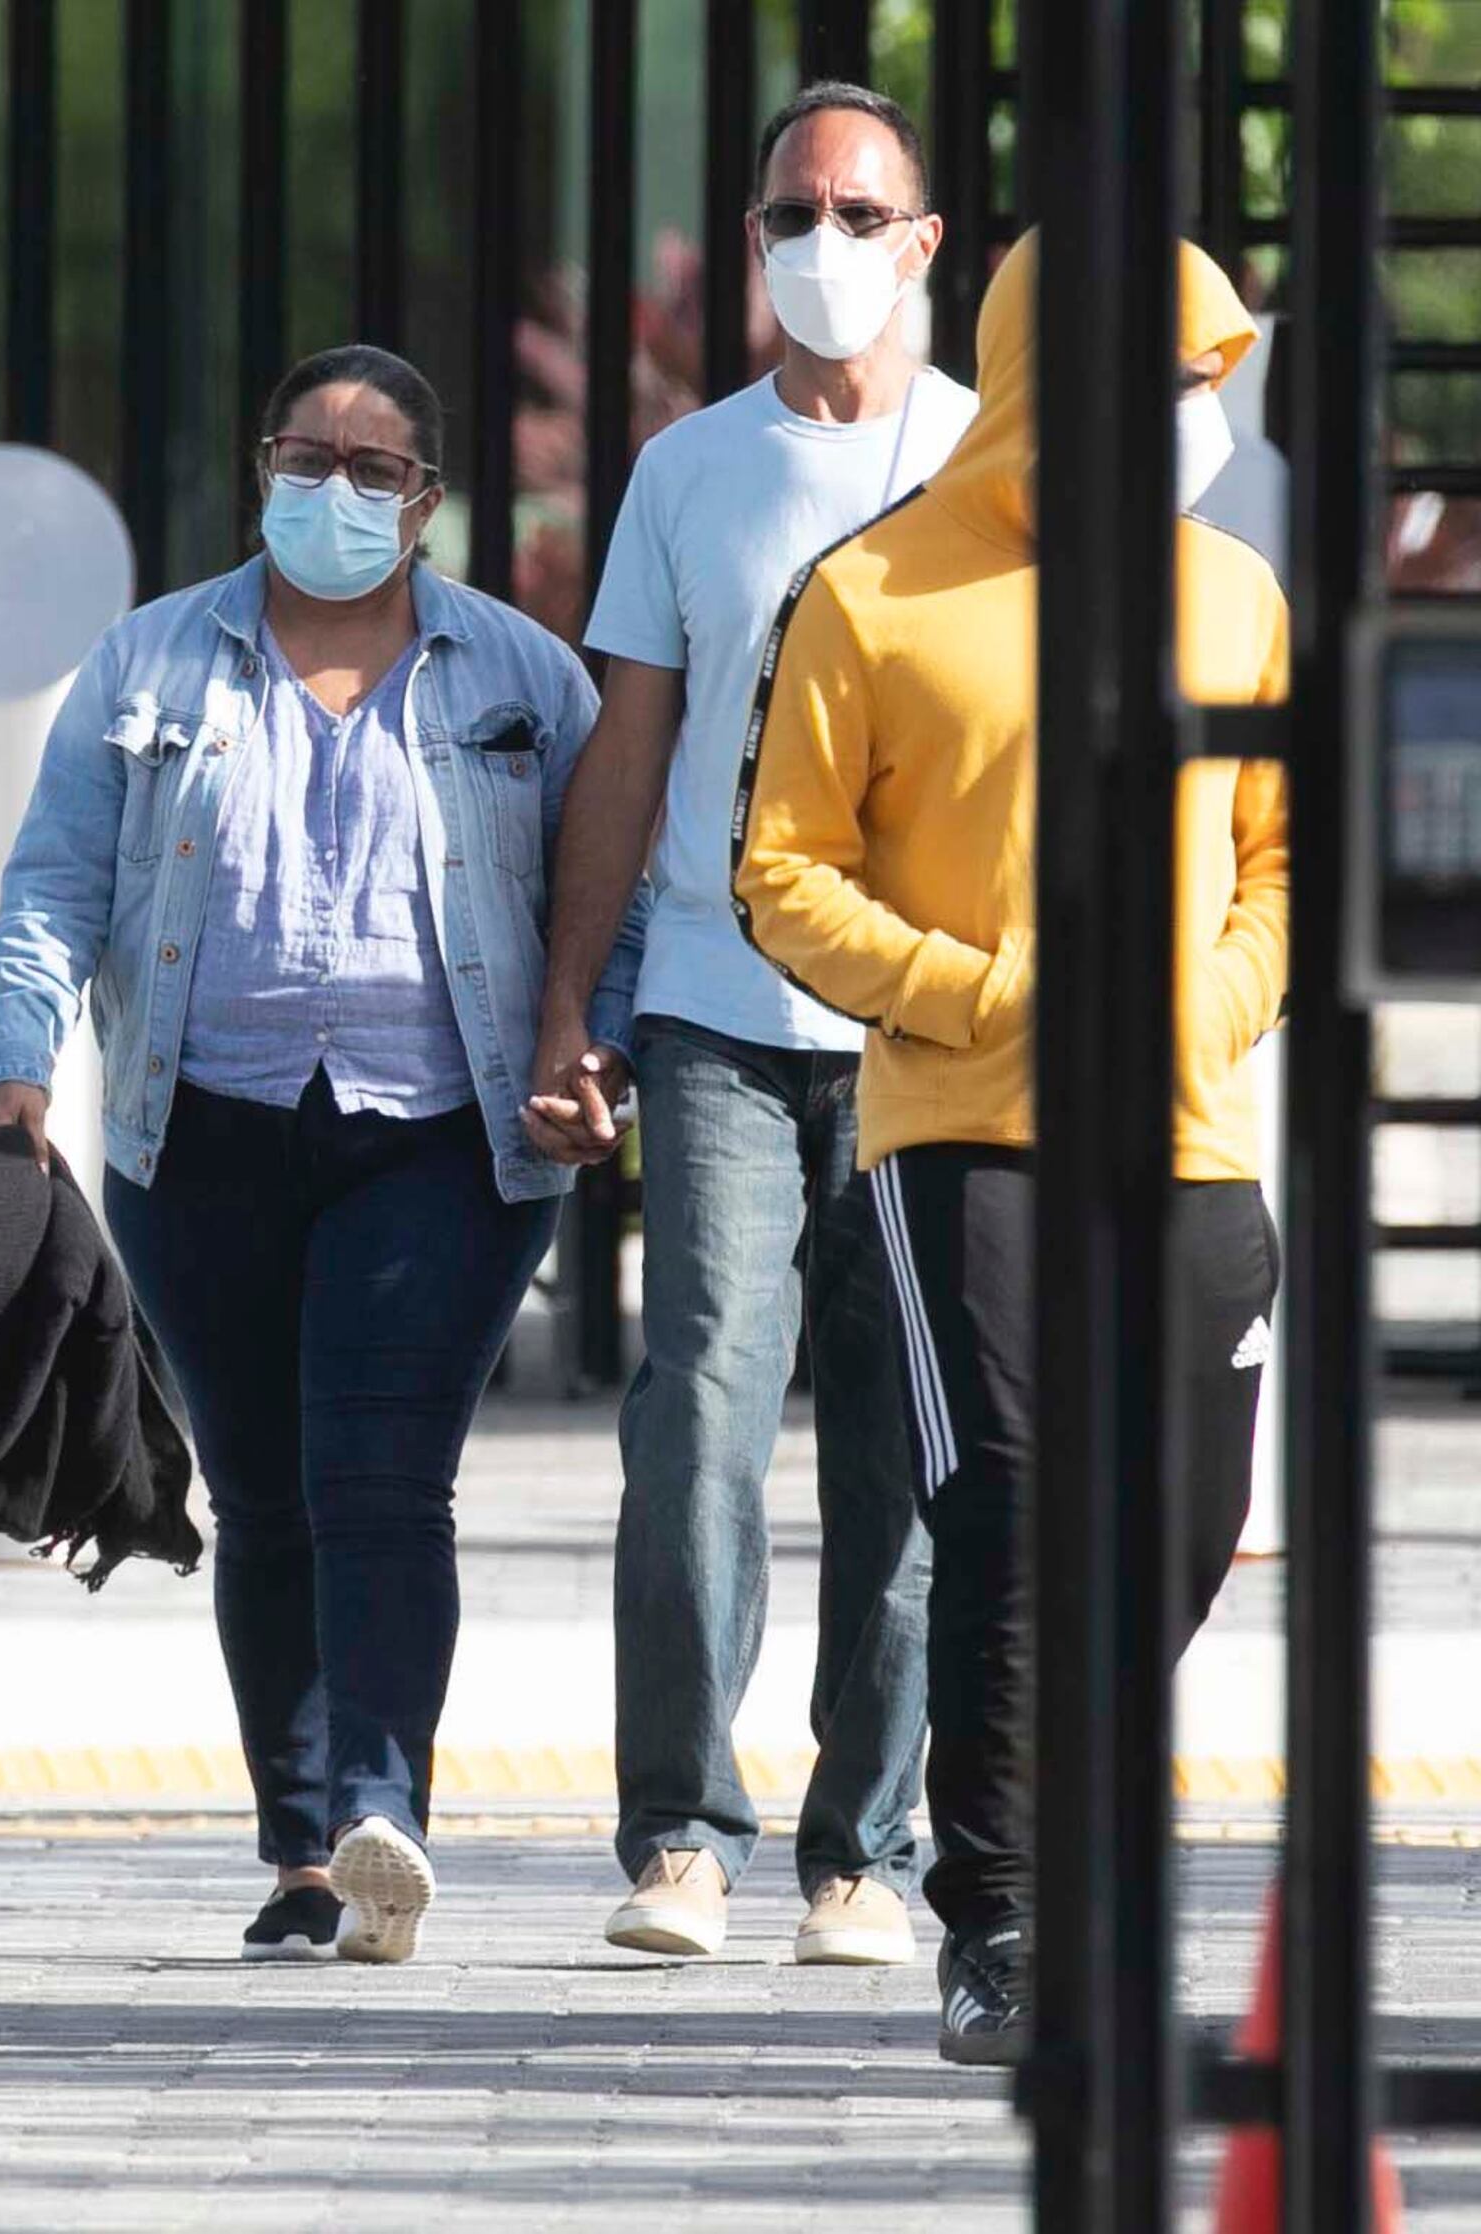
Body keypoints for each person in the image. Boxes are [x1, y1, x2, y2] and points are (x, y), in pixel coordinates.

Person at [0, 345, 638, 1966]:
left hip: (441, 1134)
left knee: (384, 1473)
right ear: (256, 467)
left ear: (426, 501)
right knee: (264, 1492)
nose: (330, 492)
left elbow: (604, 900)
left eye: (370, 467)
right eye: (303, 455)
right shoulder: (152, 664)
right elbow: (55, 882)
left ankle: (380, 1801)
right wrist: (15, 1071)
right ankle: (300, 1853)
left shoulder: (523, 679)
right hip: (195, 1131)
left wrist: (594, 1052)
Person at [733, 232, 1290, 2064]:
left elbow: (1285, 858)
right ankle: (1007, 1921)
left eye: (1215, 378)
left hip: (1192, 1141)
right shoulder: (872, 591)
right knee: (1016, 1515)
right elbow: (780, 873)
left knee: (1186, 1534)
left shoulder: (1237, 599)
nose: (1200, 413)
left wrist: (1206, 1004)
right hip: (962, 1137)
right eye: (1170, 374)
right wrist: (978, 989)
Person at [525, 82, 974, 1969]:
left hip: (924, 1026)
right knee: (696, 1406)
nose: (823, 244)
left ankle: (865, 1849)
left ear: (924, 242)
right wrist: (572, 991)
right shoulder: (688, 470)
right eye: (795, 210)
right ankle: (681, 1834)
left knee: (901, 1432)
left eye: (860, 214)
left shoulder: (989, 467)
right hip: (716, 1004)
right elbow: (628, 742)